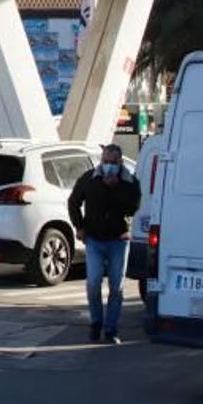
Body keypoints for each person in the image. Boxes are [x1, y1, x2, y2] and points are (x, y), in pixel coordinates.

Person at [68, 143, 140, 345]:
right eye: (105, 161)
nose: (109, 166)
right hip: (95, 240)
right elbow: (73, 201)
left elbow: (133, 207)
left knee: (116, 287)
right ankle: (96, 322)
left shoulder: (129, 181)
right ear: (101, 161)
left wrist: (116, 188)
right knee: (93, 283)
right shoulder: (90, 178)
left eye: (113, 162)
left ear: (120, 162)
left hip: (119, 239)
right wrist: (79, 227)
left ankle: (111, 329)